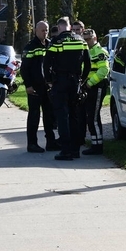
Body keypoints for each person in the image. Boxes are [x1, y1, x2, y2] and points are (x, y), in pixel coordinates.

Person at [43, 17, 91, 161]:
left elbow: (46, 64)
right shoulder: (81, 41)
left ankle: (66, 151)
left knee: (62, 116)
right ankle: (75, 150)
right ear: (69, 27)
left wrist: (49, 81)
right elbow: (88, 64)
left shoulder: (56, 41)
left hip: (60, 82)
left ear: (59, 27)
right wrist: (82, 80)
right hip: (75, 81)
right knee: (74, 116)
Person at [21, 21, 58, 153]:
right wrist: (28, 85)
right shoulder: (31, 46)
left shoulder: (50, 45)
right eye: (42, 30)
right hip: (35, 87)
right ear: (36, 31)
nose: (45, 33)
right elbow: (24, 68)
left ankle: (51, 142)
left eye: (46, 30)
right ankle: (32, 144)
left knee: (49, 115)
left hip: (47, 86)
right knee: (34, 116)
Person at [80, 29, 110, 155]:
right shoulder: (85, 51)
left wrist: (90, 83)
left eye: (89, 39)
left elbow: (104, 70)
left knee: (94, 117)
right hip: (88, 87)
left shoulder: (100, 52)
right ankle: (95, 143)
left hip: (97, 86)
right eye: (85, 39)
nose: (87, 42)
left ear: (95, 38)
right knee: (91, 116)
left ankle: (98, 146)